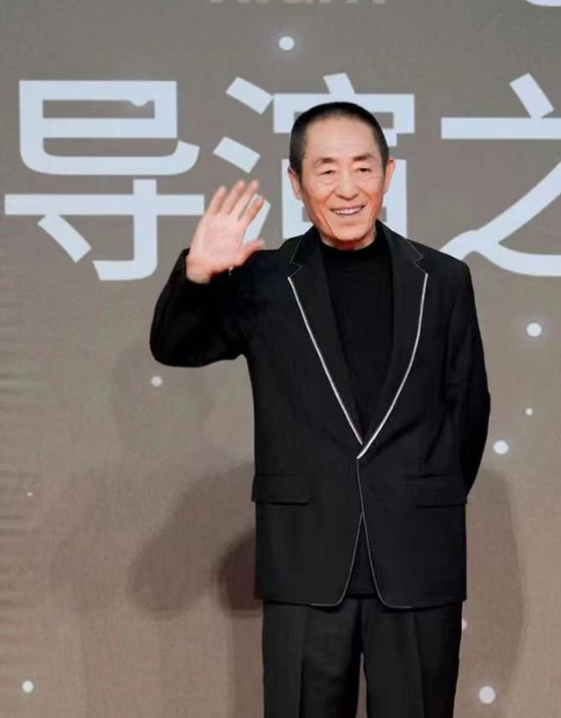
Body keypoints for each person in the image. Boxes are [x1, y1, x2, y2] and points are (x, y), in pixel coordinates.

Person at [149, 101, 491, 717]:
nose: (347, 188)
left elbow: (466, 410)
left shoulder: (443, 280)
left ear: (389, 173)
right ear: (296, 182)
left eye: (363, 168)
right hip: (306, 562)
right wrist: (197, 274)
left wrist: (419, 496)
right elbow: (176, 347)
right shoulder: (263, 280)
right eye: (327, 170)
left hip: (417, 558)